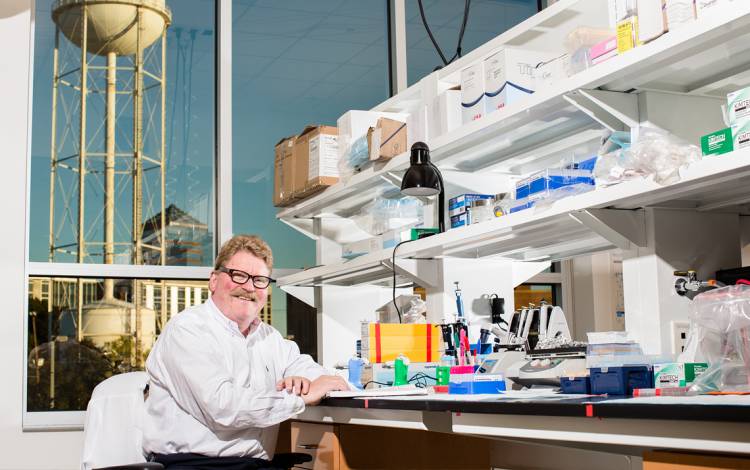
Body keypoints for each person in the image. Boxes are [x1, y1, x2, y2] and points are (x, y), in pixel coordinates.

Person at [142, 235, 349, 469]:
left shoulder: (268, 337)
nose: (249, 287)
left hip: (252, 464)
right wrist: (298, 397)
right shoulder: (187, 330)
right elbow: (222, 407)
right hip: (192, 465)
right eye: (238, 275)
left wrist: (307, 381)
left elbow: (305, 367)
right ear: (213, 280)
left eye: (259, 280)